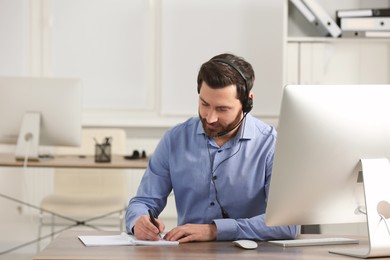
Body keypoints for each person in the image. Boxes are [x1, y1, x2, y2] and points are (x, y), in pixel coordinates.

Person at [125, 53, 298, 243]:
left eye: (222, 109)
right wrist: (138, 221)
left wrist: (215, 231)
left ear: (248, 103)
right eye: (204, 104)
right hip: (188, 255)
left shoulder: (270, 145)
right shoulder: (174, 140)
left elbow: (288, 224)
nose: (210, 118)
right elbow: (143, 202)